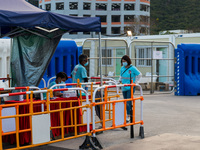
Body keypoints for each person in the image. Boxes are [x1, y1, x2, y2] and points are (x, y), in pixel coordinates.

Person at [119, 55, 142, 122]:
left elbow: (139, 74)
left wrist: (135, 82)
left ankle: (128, 115)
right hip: (124, 86)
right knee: (125, 101)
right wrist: (119, 81)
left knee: (129, 101)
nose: (123, 63)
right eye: (122, 61)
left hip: (130, 87)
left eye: (125, 61)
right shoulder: (122, 68)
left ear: (128, 61)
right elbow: (121, 76)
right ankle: (127, 114)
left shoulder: (132, 68)